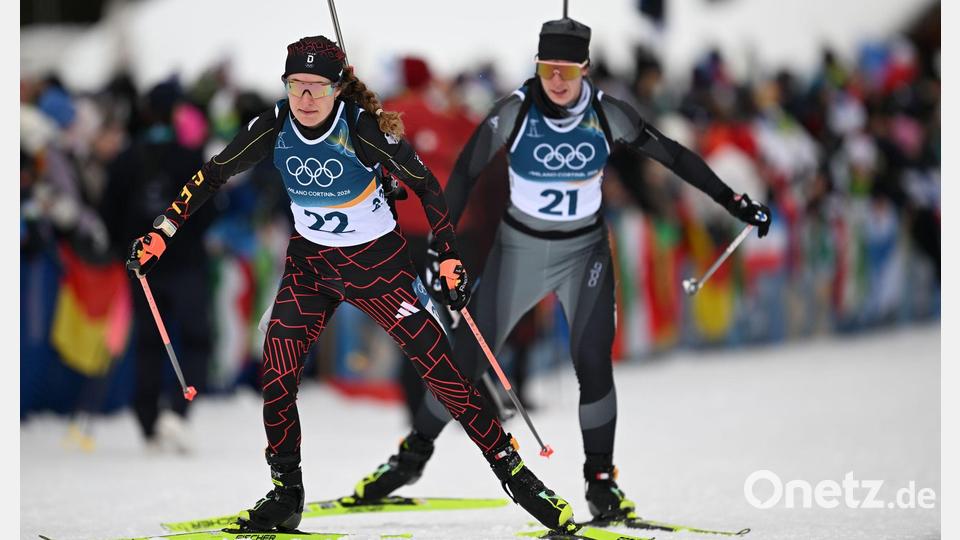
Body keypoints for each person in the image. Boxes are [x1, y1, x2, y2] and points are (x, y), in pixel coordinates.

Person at [125, 36, 579, 534]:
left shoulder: (360, 129)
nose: (306, 98)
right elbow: (212, 175)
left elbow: (428, 185)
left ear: (338, 89)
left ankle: (517, 477)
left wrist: (447, 255)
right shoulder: (275, 125)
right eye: (296, 85)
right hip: (311, 268)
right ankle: (286, 492)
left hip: (378, 270)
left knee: (444, 372)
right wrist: (163, 230)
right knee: (277, 369)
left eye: (317, 87)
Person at [353, 18, 771, 522]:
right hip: (520, 250)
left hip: (584, 253)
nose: (556, 81)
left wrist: (734, 200)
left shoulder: (606, 113)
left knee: (593, 362)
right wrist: (444, 242)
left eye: (566, 71)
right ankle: (411, 458)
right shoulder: (514, 110)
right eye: (548, 69)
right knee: (463, 366)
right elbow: (464, 171)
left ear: (585, 70)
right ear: (538, 67)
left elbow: (674, 156)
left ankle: (602, 484)